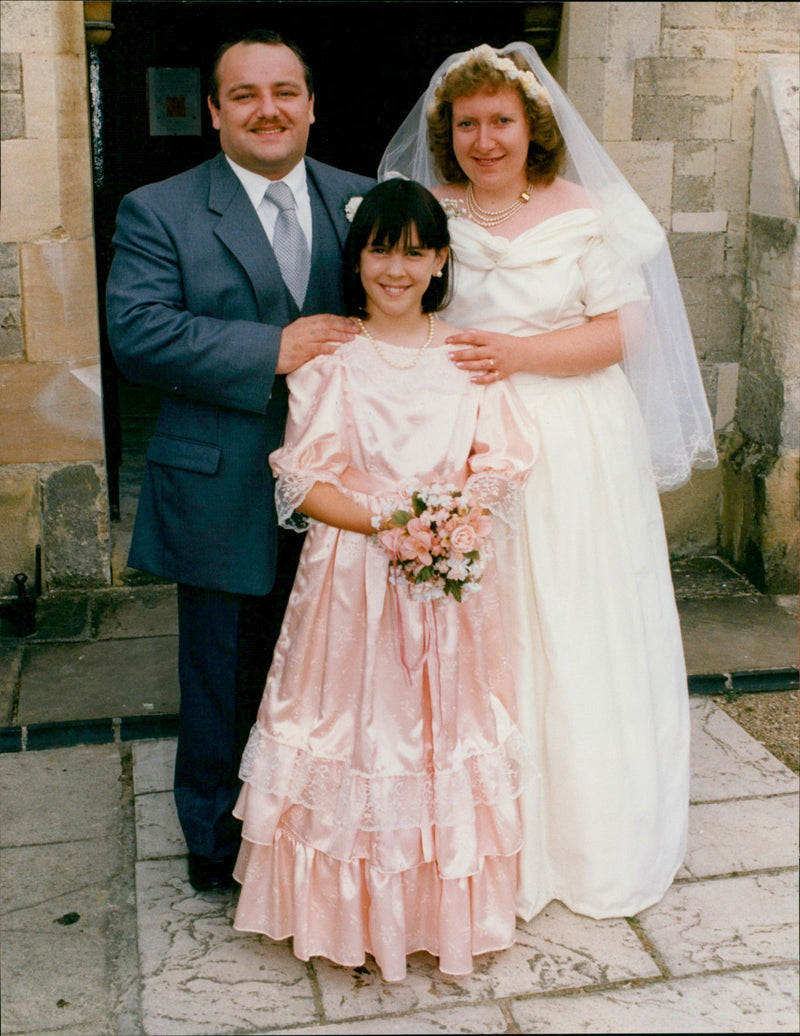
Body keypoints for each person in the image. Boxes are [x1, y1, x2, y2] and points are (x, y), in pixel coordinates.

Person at [378, 43, 718, 922]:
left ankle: (586, 835)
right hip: (465, 439)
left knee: (574, 619)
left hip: (574, 442)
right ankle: (486, 840)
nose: (484, 139)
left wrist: (520, 355)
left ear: (534, 126)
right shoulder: (428, 211)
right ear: (446, 133)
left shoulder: (589, 212)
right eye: (467, 124)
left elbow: (624, 333)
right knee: (485, 629)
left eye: (502, 120)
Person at [231, 179, 536, 982]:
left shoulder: (468, 357)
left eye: (414, 252)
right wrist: (395, 525)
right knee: (354, 728)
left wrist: (450, 520)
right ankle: (339, 911)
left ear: (439, 261)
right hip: (352, 575)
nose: (395, 269)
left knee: (440, 733)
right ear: (357, 258)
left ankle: (437, 910)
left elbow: (503, 462)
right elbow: (303, 480)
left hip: (447, 577)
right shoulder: (334, 359)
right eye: (379, 251)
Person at [106, 30, 374, 892]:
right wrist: (273, 348)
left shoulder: (365, 200)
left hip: (347, 478)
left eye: (285, 91)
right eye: (246, 95)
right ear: (215, 111)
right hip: (222, 481)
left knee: (338, 665)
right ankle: (218, 846)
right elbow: (136, 332)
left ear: (311, 105)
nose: (269, 110)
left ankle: (320, 833)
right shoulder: (160, 208)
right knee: (224, 672)